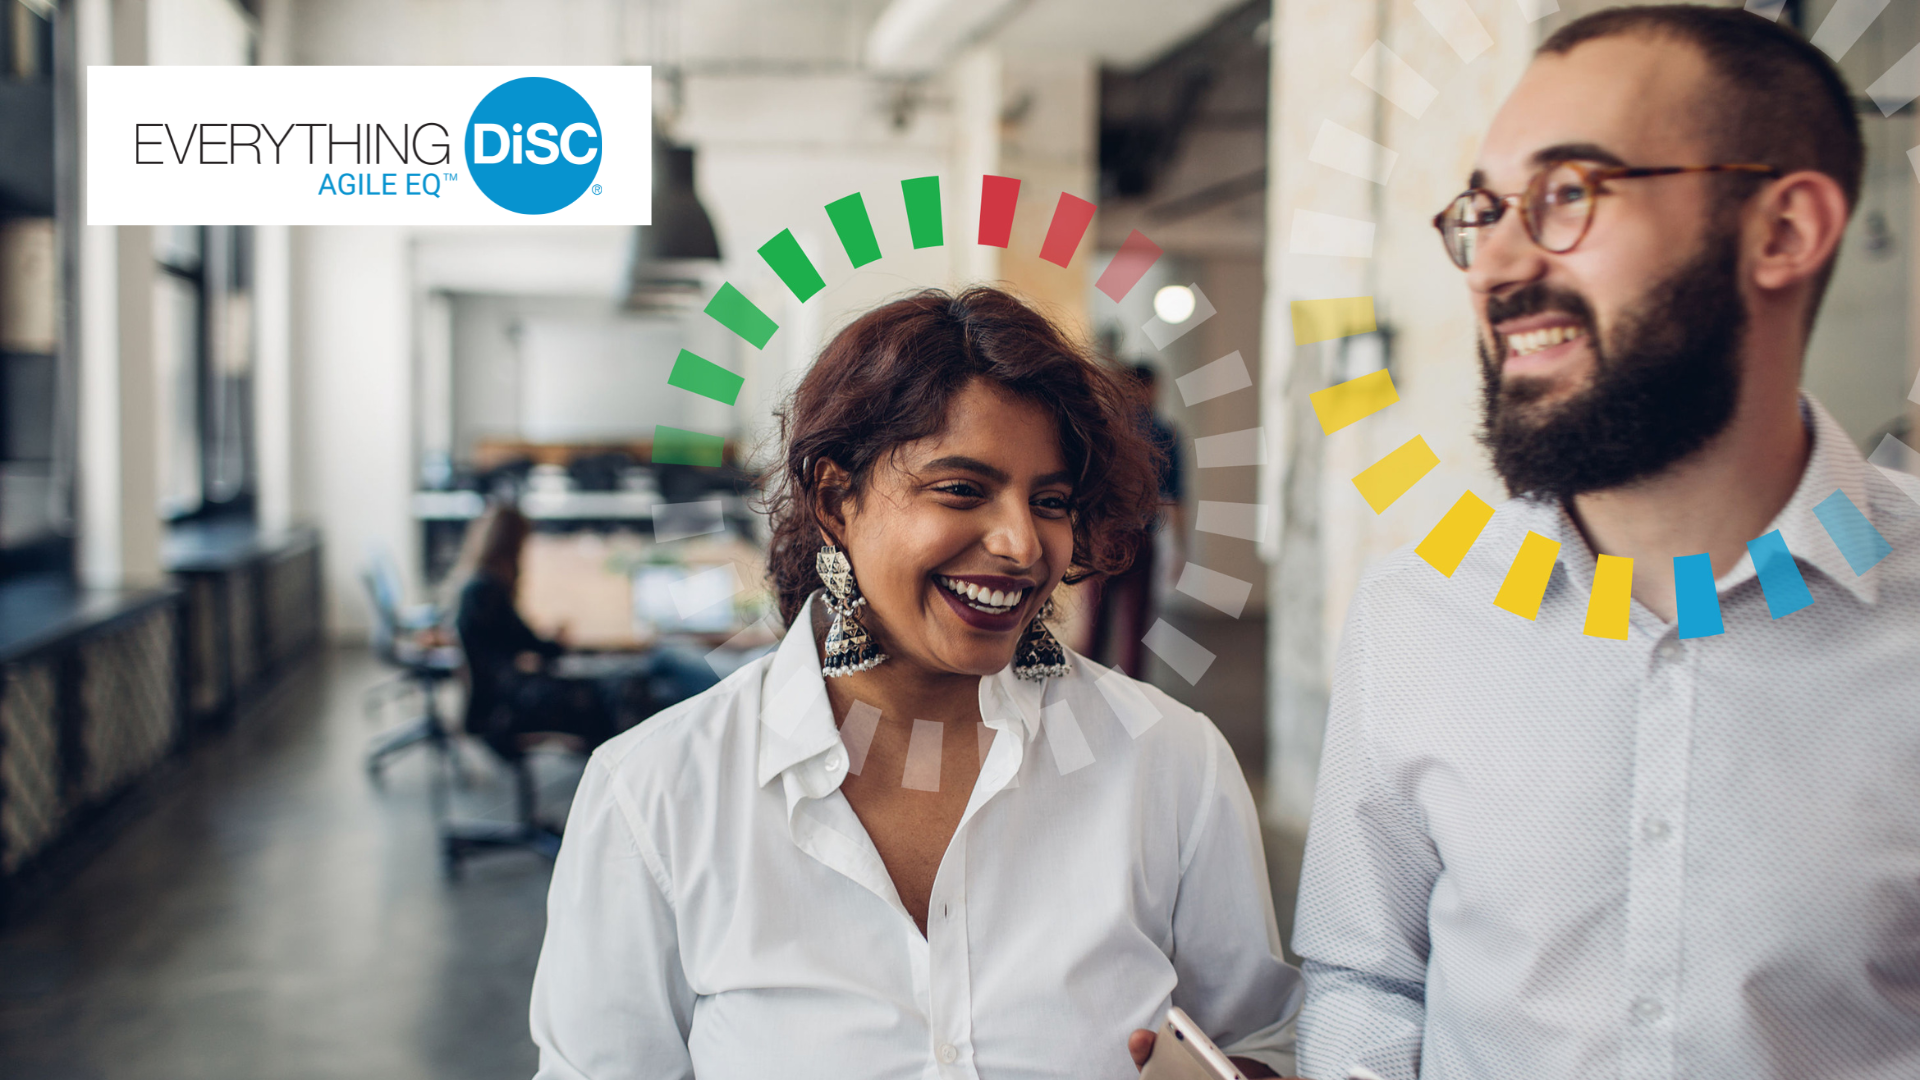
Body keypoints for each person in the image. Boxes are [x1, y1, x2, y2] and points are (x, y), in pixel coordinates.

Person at [1290, 7, 1920, 1078]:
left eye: (1567, 194)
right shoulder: (1418, 613)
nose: (1494, 261)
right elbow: (1367, 980)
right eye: (1483, 210)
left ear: (1783, 231)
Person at [528, 286, 1302, 1079]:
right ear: (836, 499)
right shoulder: (656, 793)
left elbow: (1259, 1038)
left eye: (1051, 501)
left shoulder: (1171, 766)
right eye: (962, 489)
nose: (1021, 543)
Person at [1089, 363, 1185, 678]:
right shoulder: (1165, 432)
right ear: (1150, 387)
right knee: (1135, 629)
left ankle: (1081, 691)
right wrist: (1180, 549)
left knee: (1093, 626)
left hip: (1103, 534)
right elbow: (1175, 497)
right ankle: (1133, 698)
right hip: (1140, 535)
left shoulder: (1106, 428)